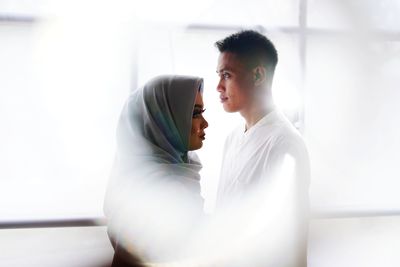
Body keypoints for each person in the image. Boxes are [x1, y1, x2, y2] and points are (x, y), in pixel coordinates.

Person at [214, 30, 310, 266]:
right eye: (218, 75)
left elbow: (293, 240)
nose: (218, 86)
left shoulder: (286, 144)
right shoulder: (232, 138)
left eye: (226, 75)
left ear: (258, 75)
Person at [103, 75, 208, 266]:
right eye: (195, 113)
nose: (205, 123)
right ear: (165, 122)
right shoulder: (159, 191)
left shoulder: (174, 174)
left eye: (202, 112)